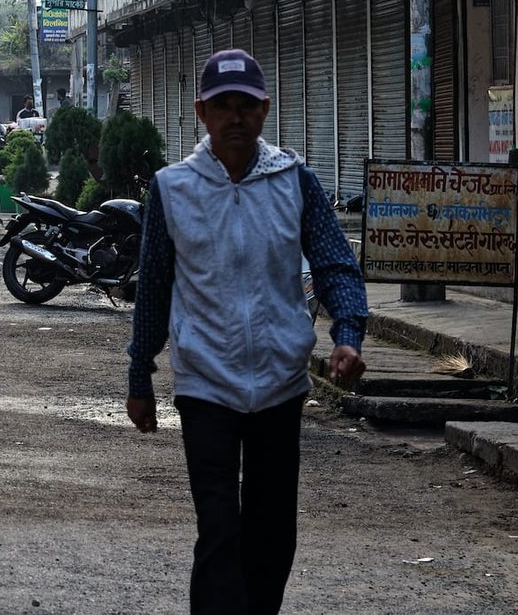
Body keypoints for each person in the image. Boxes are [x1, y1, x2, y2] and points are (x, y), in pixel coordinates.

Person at [125, 48, 369, 615]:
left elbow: (335, 265)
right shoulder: (172, 189)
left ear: (264, 111)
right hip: (205, 383)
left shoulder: (294, 181)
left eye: (247, 106)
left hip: (280, 384)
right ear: (201, 114)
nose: (235, 117)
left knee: (272, 529)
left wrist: (348, 334)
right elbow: (155, 289)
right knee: (218, 528)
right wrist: (141, 375)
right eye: (222, 106)